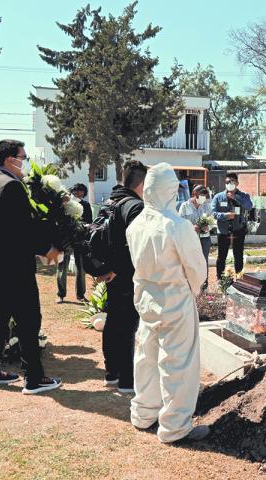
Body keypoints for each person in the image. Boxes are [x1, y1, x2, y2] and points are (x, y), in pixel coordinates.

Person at [126, 163, 209, 443]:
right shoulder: (177, 226)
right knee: (178, 363)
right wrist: (195, 289)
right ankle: (175, 426)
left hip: (146, 299)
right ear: (170, 191)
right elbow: (196, 268)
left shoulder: (136, 224)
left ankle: (144, 413)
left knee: (146, 358)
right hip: (175, 300)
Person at [0, 139, 62, 394]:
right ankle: (34, 378)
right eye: (22, 157)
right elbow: (23, 228)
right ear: (10, 160)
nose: (25, 162)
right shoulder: (12, 187)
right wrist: (47, 248)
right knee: (28, 320)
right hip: (13, 266)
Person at [98, 160, 146, 393]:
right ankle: (127, 380)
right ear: (142, 182)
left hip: (110, 274)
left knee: (113, 322)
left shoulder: (109, 201)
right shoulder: (135, 206)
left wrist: (106, 268)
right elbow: (135, 245)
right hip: (126, 275)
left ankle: (111, 373)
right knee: (127, 326)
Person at [56, 183, 93, 304]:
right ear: (71, 191)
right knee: (62, 266)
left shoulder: (86, 205)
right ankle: (61, 294)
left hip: (80, 238)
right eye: (76, 190)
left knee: (81, 267)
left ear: (84, 193)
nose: (78, 192)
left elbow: (89, 222)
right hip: (65, 238)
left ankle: (81, 295)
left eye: (81, 191)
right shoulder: (65, 203)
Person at [211, 173, 252, 279]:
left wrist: (236, 198)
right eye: (227, 182)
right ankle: (220, 279)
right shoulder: (218, 197)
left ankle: (239, 279)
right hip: (223, 231)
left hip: (238, 229)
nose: (230, 184)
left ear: (237, 183)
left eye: (232, 181)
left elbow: (249, 206)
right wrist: (225, 216)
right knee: (221, 256)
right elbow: (213, 213)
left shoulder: (244, 196)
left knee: (238, 256)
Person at [179, 185, 213, 290]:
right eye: (201, 195)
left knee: (203, 261)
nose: (203, 198)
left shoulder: (206, 206)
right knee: (190, 260)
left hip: (204, 238)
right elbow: (179, 223)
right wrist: (191, 227)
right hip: (189, 239)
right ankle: (190, 284)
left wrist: (208, 227)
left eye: (205, 196)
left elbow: (212, 221)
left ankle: (204, 285)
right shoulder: (184, 206)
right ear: (194, 194)